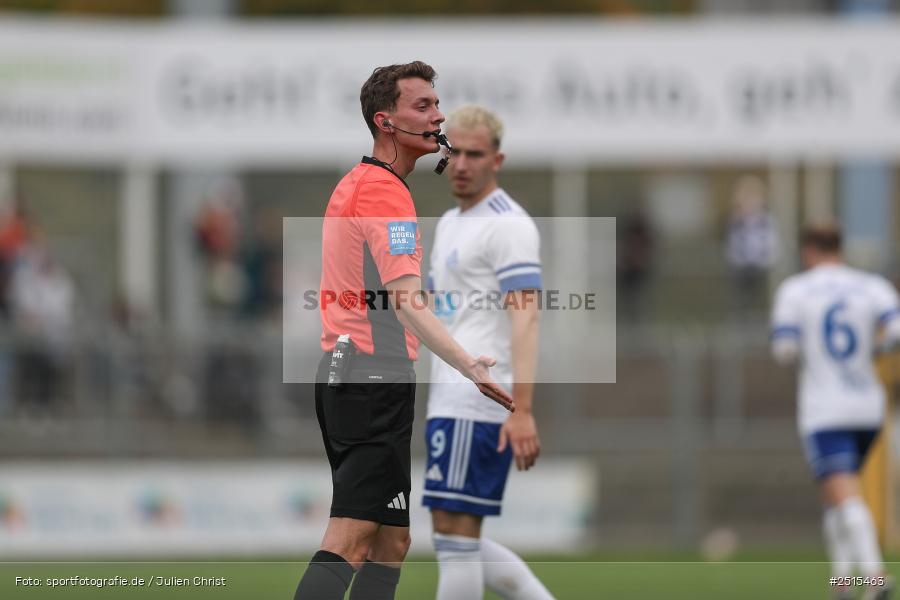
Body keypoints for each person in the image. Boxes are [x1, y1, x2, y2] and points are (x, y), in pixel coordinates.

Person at [294, 62, 514, 600]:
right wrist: (469, 365)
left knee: (392, 542)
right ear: (385, 121)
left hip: (357, 374)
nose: (439, 116)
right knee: (350, 538)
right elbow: (407, 302)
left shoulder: (358, 182)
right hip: (372, 378)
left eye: (437, 104)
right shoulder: (385, 194)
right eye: (424, 107)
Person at [422, 105, 554, 600]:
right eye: (452, 152)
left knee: (455, 537)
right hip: (448, 396)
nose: (460, 164)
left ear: (496, 160)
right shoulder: (453, 222)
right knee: (454, 538)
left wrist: (522, 409)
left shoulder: (508, 225)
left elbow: (527, 316)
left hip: (478, 399)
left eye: (474, 154)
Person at [771, 224, 900, 600]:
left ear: (808, 251)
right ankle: (841, 583)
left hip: (825, 408)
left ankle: (875, 578)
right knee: (836, 496)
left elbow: (784, 349)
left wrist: (808, 354)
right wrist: (875, 352)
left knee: (846, 497)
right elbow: (896, 331)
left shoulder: (795, 290)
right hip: (868, 405)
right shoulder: (871, 285)